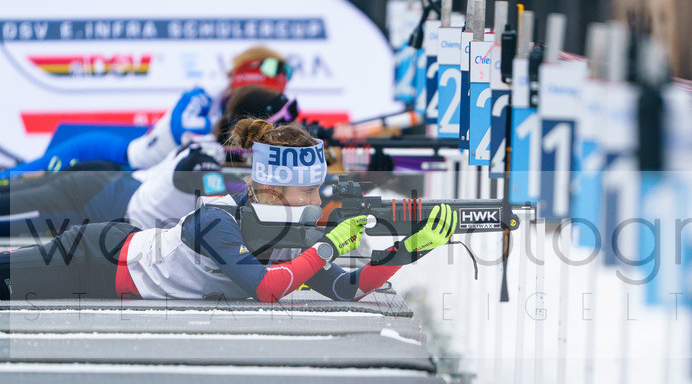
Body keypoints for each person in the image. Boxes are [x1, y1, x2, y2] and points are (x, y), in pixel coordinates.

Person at [0, 118, 457, 302]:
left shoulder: (283, 231)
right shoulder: (218, 216)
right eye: (309, 193)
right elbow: (265, 290)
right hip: (93, 262)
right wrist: (326, 248)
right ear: (276, 192)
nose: (318, 203)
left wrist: (408, 249)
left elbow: (343, 289)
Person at [0, 85, 296, 237]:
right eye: (278, 129)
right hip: (88, 195)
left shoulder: (214, 153)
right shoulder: (206, 158)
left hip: (103, 187)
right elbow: (223, 204)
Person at [0, 45, 293, 181]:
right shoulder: (205, 94)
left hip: (138, 180)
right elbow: (183, 129)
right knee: (20, 179)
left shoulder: (268, 115)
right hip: (112, 156)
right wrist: (226, 130)